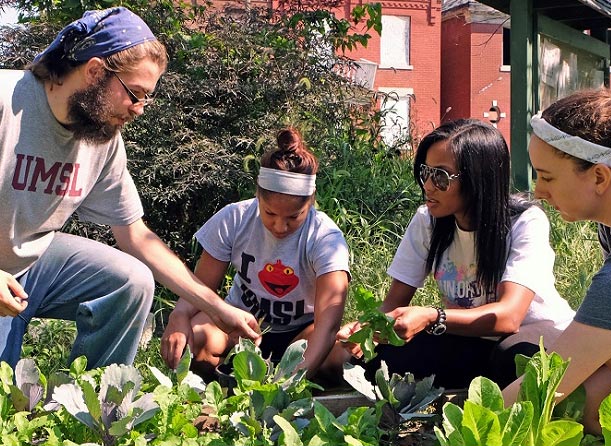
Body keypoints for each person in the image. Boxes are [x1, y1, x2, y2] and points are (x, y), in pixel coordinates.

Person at [0, 7, 261, 369]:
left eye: (146, 98)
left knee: (132, 280)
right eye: (134, 94)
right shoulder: (7, 101)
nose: (139, 109)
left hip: (31, 263)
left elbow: (136, 237)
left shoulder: (101, 137)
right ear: (94, 72)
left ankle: (89, 411)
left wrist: (215, 307)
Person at [336, 119, 574, 389]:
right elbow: (391, 306)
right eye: (425, 172)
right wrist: (362, 329)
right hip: (467, 337)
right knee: (374, 360)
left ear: (478, 178)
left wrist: (431, 317)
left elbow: (509, 317)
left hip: (531, 334)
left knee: (512, 358)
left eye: (441, 177)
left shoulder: (525, 221)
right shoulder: (428, 220)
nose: (427, 185)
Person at [502, 78, 611, 433]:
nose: (539, 191)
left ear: (599, 177)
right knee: (591, 394)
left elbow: (548, 385)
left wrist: (461, 427)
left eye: (547, 177)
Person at [160, 127, 350, 381]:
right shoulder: (235, 219)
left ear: (312, 200)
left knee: (341, 356)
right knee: (197, 339)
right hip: (239, 323)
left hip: (301, 332)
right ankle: (217, 389)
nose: (280, 227)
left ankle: (289, 379)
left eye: (294, 217)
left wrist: (289, 385)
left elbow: (327, 326)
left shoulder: (325, 238)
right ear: (257, 195)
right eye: (270, 213)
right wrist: (179, 316)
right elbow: (201, 287)